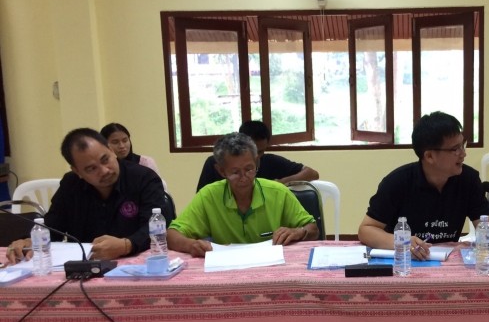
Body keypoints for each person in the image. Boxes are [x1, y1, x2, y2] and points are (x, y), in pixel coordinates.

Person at [358, 111, 489, 260]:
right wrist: (402, 242)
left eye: (463, 145)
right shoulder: (397, 182)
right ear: (429, 156)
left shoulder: (468, 179)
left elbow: (485, 226)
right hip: (404, 262)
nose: (463, 154)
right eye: (455, 149)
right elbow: (366, 230)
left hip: (446, 262)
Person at [6, 128, 170, 263]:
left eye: (105, 159)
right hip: (83, 267)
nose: (104, 171)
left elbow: (157, 228)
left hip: (135, 264)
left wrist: (127, 245)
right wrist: (29, 241)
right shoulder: (71, 184)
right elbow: (53, 226)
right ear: (77, 171)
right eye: (91, 168)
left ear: (111, 150)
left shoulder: (143, 178)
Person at [168, 132, 318, 257]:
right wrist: (191, 245)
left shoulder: (278, 192)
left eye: (249, 169)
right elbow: (171, 235)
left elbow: (313, 229)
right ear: (221, 171)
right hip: (227, 268)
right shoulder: (209, 196)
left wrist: (299, 231)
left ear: (257, 163)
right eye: (235, 172)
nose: (244, 177)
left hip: (271, 266)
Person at [196, 120, 319, 191]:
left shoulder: (271, 162)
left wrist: (280, 183)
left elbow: (312, 173)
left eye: (260, 152)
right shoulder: (216, 163)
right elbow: (201, 200)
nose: (256, 158)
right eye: (235, 172)